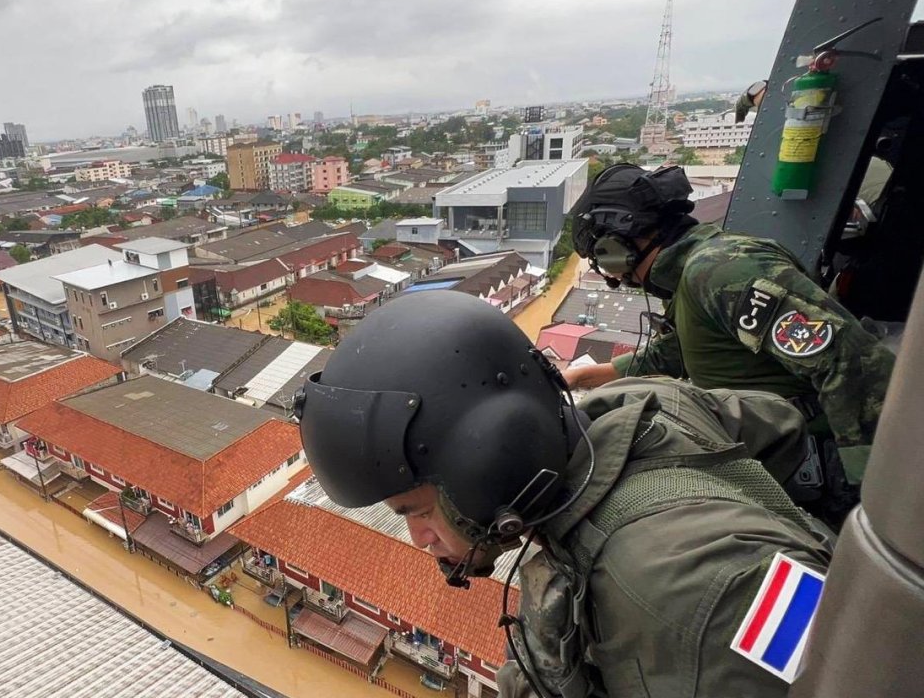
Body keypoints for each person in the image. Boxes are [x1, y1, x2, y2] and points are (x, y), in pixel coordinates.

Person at [294, 291, 832, 697]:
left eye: (417, 511)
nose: (420, 539)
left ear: (491, 459)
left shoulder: (694, 587)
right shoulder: (635, 404)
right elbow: (783, 429)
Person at [562, 163, 895, 526]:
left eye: (599, 258)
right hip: (785, 453)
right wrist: (585, 377)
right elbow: (676, 353)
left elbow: (852, 360)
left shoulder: (719, 271)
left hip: (816, 463)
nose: (606, 272)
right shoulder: (694, 275)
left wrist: (871, 493)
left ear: (614, 246)